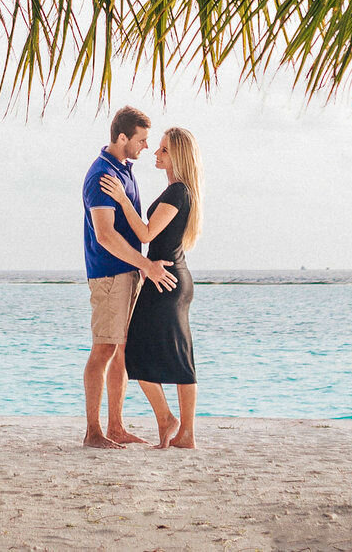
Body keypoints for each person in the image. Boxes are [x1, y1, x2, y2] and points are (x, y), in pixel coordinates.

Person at [99, 125, 202, 449]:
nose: (156, 154)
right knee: (168, 354)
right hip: (166, 277)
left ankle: (175, 424)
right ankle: (177, 427)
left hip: (166, 280)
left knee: (146, 353)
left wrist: (120, 199)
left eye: (164, 150)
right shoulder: (178, 191)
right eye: (157, 148)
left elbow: (145, 234)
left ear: (178, 157)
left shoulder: (178, 192)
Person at [80, 106, 176, 449]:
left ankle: (116, 427)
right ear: (122, 138)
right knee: (104, 348)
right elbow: (105, 235)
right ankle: (94, 432)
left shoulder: (124, 170)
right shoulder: (101, 175)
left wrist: (140, 267)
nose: (146, 146)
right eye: (141, 139)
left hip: (128, 272)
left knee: (120, 351)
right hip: (109, 274)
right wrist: (147, 265)